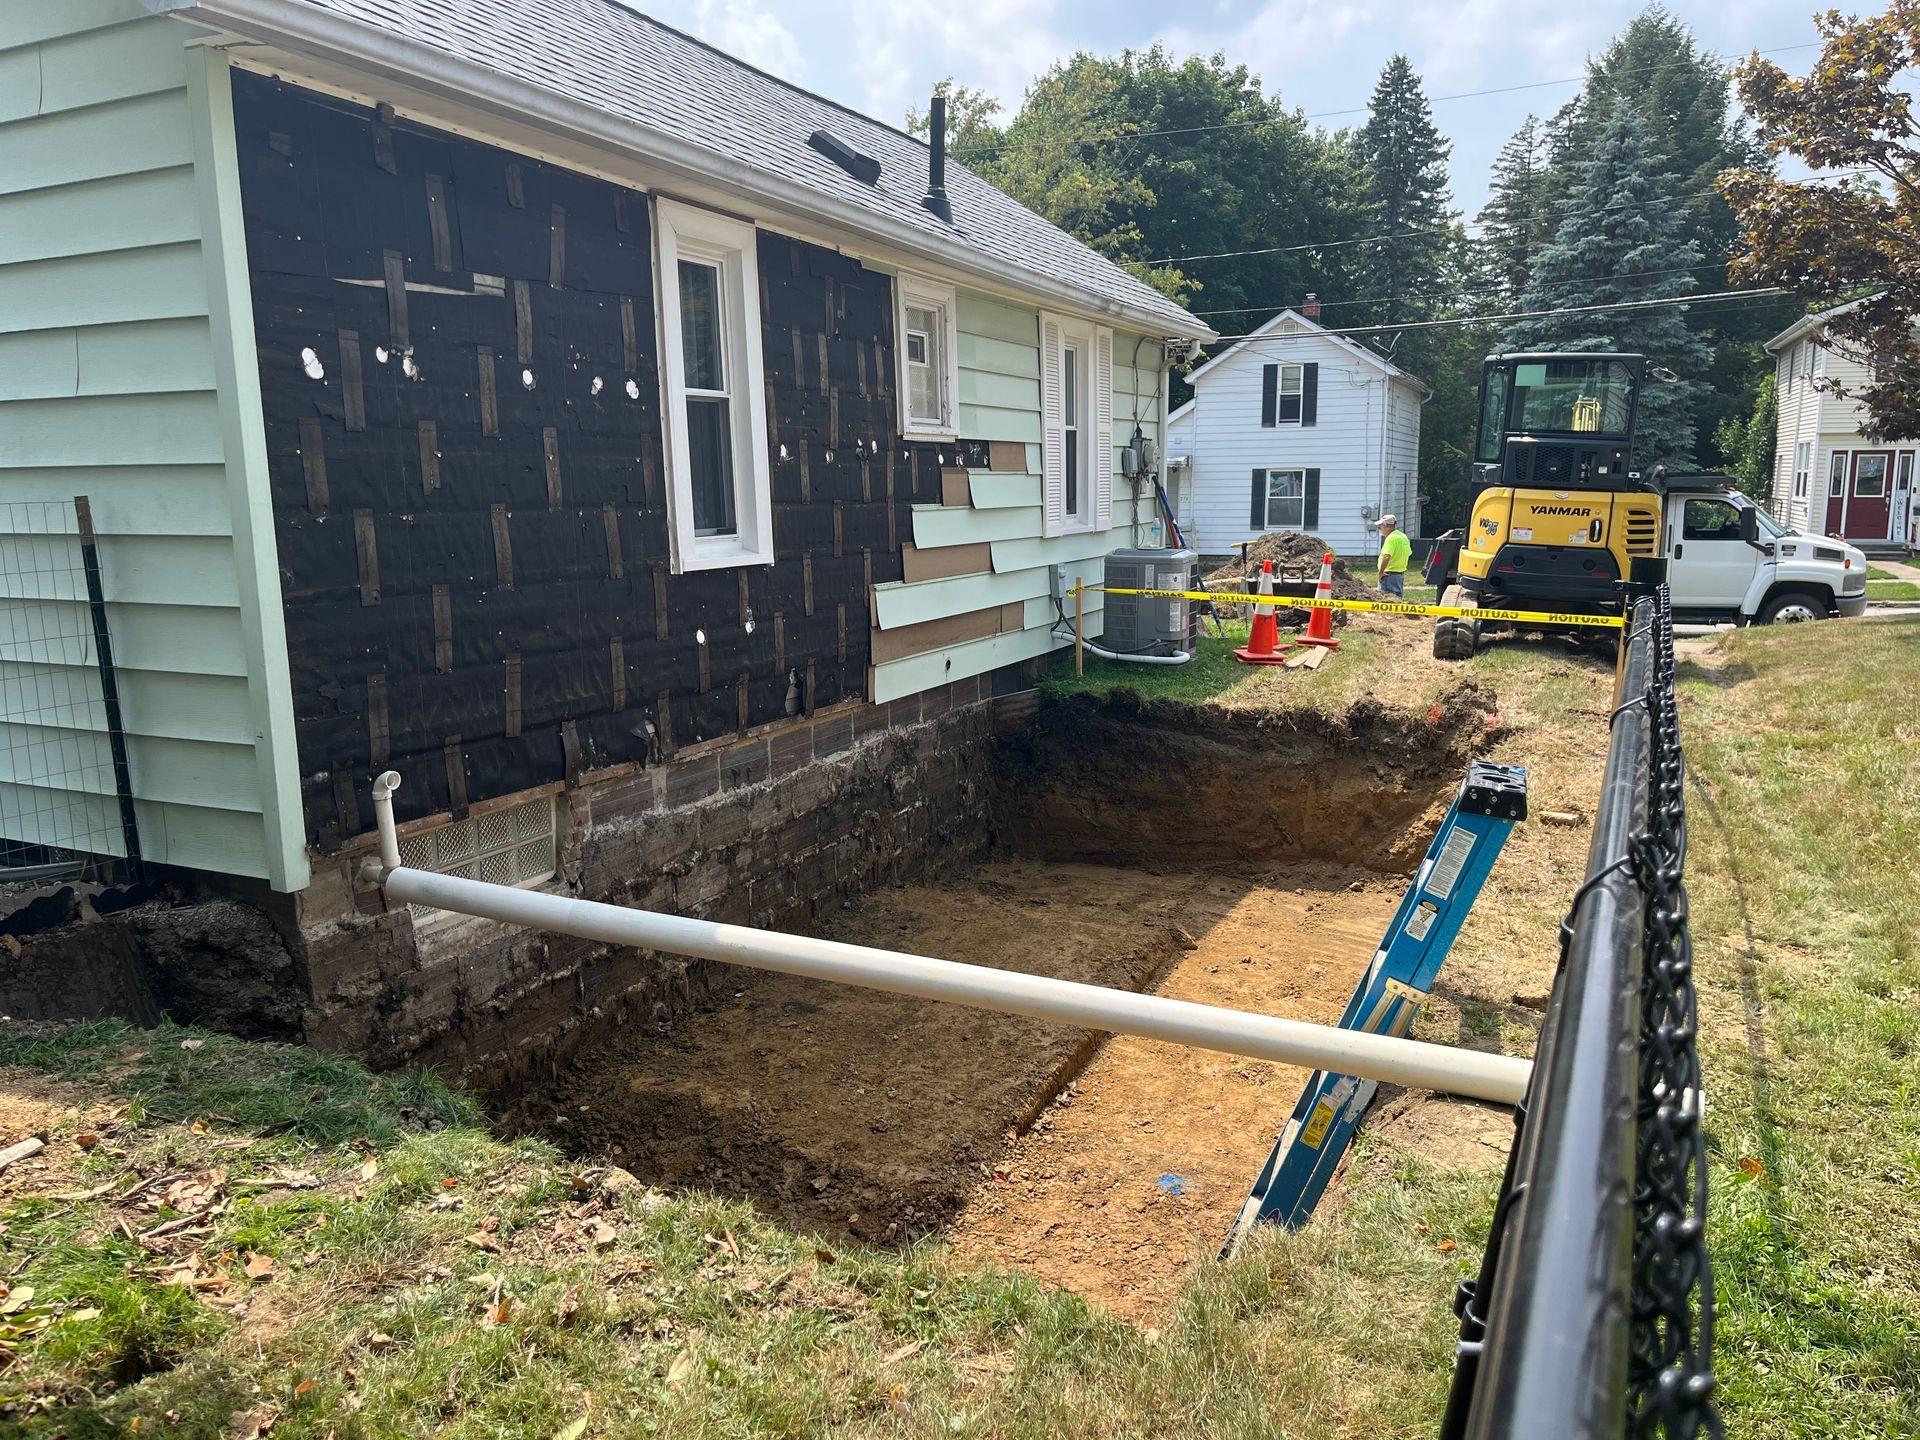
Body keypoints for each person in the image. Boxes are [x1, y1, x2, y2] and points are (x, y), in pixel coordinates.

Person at [1376, 514, 1412, 598]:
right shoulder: (1403, 536)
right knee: (1397, 601)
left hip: (1388, 576)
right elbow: (1408, 553)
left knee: (1386, 600)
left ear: (1385, 525)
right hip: (1399, 576)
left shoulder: (1391, 538)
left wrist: (1381, 572)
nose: (1379, 529)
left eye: (1380, 527)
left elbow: (1386, 557)